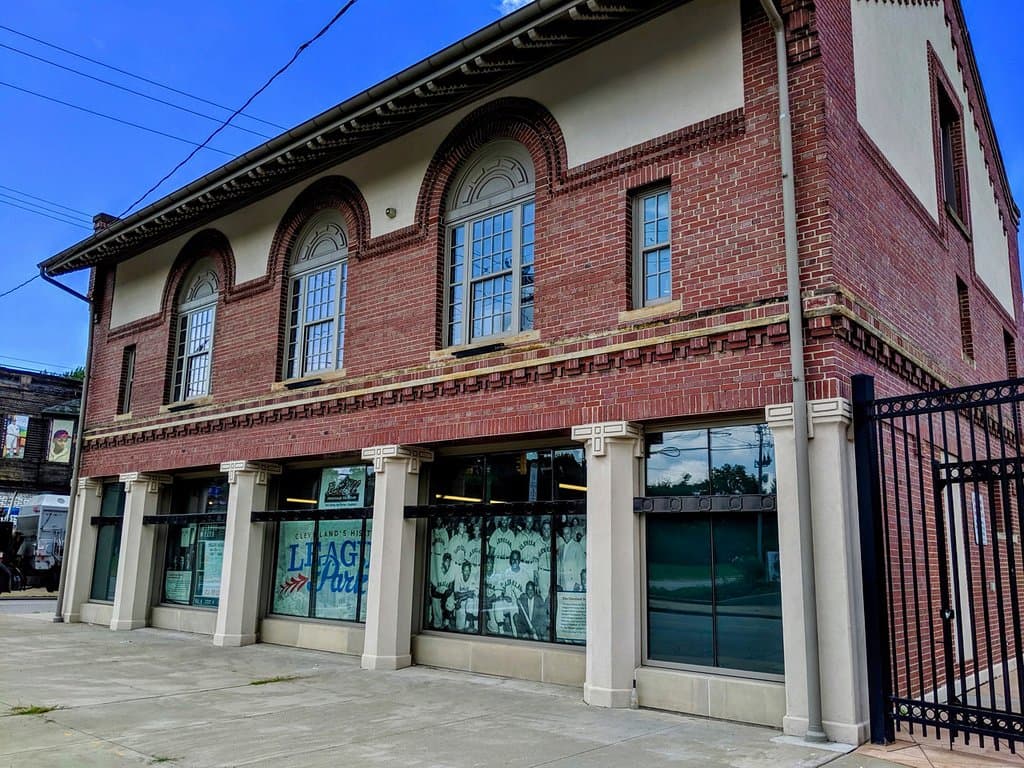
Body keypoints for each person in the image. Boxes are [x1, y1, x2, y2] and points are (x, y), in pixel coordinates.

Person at [429, 552, 456, 629]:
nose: (448, 563)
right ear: (443, 561)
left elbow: (451, 589)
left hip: (445, 595)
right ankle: (438, 623)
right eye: (447, 561)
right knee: (435, 601)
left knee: (451, 600)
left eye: (449, 561)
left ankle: (446, 622)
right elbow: (433, 591)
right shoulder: (437, 571)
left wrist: (444, 599)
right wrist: (442, 598)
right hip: (437, 594)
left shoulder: (451, 571)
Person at [453, 560, 478, 632]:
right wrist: (466, 593)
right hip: (460, 601)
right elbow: (456, 595)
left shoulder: (472, 576)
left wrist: (461, 598)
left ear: (470, 571)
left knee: (472, 600)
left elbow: (472, 594)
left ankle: (469, 623)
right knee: (459, 627)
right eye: (465, 570)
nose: (467, 572)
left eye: (468, 570)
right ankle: (465, 622)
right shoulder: (458, 576)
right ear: (462, 570)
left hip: (465, 600)